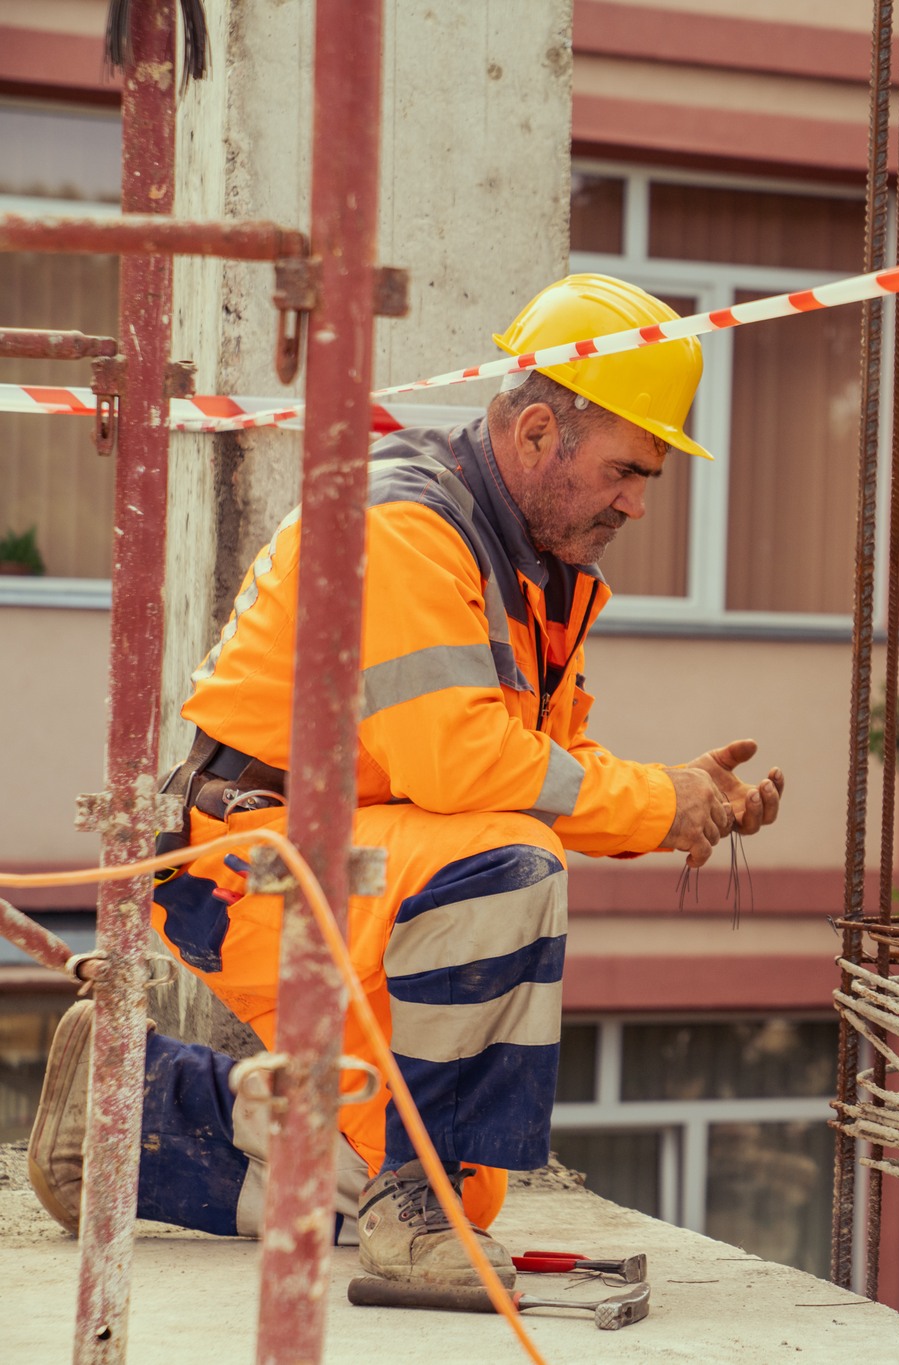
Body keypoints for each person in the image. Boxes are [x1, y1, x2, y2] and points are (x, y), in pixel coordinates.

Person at [27, 274, 785, 1289]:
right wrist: (655, 804)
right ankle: (404, 1210)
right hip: (246, 862)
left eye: (649, 476)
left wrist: (673, 800)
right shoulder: (404, 523)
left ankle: (141, 1112)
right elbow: (463, 764)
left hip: (354, 864)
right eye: (625, 469)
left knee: (458, 1179)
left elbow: (541, 765)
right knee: (512, 871)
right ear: (534, 435)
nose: (637, 502)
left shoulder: (542, 574)